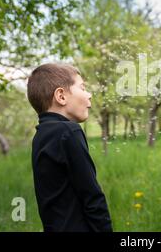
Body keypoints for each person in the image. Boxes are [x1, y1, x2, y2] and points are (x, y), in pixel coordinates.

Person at [27, 63, 112, 232]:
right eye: (82, 88)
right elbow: (92, 196)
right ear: (61, 96)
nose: (90, 94)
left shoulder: (41, 135)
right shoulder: (68, 131)